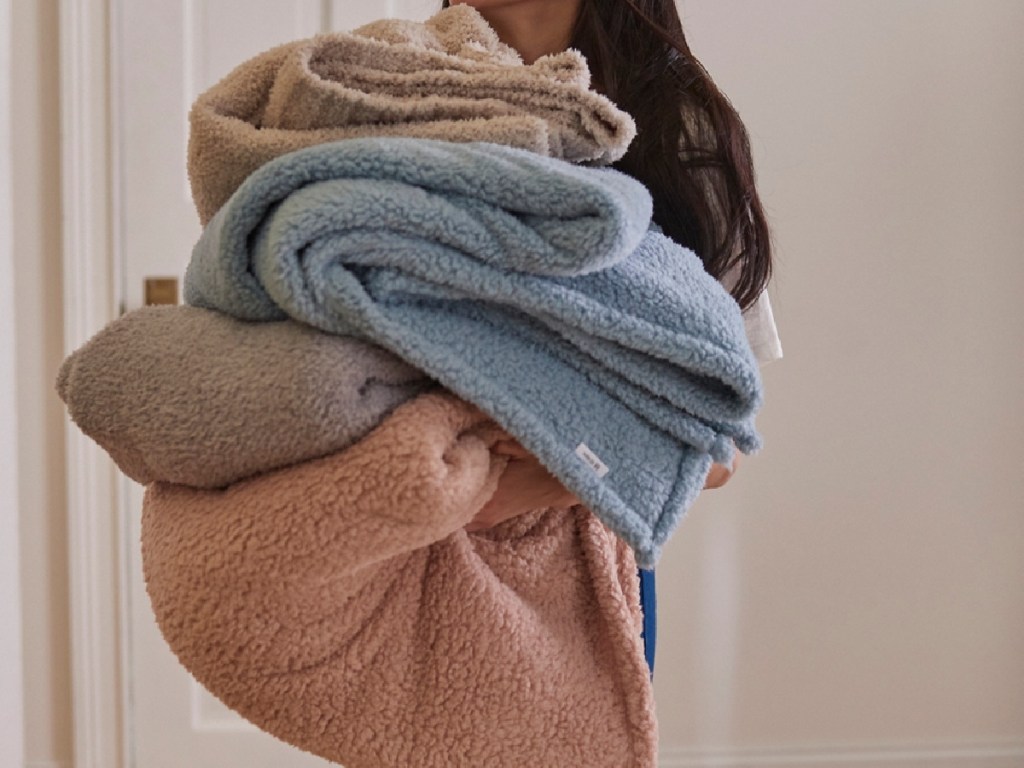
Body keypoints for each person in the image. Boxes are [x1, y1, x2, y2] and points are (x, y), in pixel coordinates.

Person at [447, 0, 783, 674]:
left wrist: (544, 480)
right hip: (405, 554)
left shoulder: (678, 135)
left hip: (582, 580)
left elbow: (719, 446)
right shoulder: (397, 93)